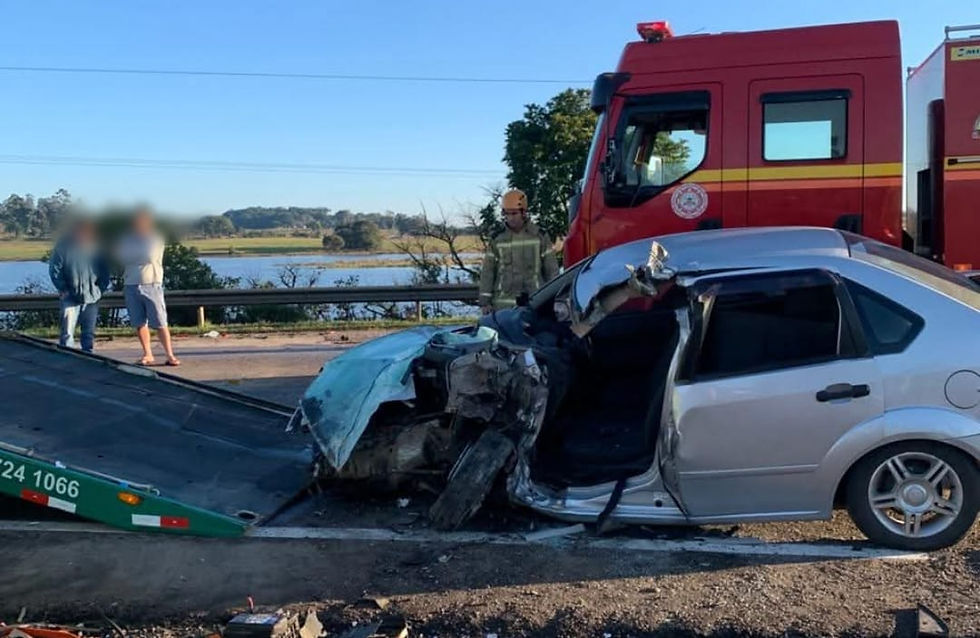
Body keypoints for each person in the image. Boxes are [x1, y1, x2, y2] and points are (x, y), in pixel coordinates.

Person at [478, 189, 559, 313]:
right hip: (502, 308)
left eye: (514, 213)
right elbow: (488, 272)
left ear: (523, 212)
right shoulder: (497, 239)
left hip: (535, 304)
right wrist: (484, 302)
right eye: (507, 214)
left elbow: (552, 271)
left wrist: (553, 299)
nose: (510, 218)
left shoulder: (539, 236)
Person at [117, 210, 180, 366]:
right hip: (131, 283)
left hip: (151, 284)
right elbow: (121, 257)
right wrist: (134, 256)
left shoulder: (155, 238)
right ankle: (147, 354)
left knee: (160, 322)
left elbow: (149, 256)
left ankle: (170, 355)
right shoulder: (126, 239)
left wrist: (132, 256)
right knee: (139, 323)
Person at [48, 218, 110, 352]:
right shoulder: (63, 246)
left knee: (88, 332)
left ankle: (89, 357)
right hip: (70, 296)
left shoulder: (96, 248)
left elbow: (104, 270)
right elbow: (55, 269)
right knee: (67, 333)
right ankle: (66, 358)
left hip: (92, 296)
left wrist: (100, 289)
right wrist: (62, 288)